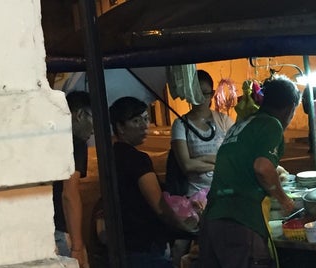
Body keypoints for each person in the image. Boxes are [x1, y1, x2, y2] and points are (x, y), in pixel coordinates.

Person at [197, 76, 300, 268]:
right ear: (290, 108)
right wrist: (285, 200)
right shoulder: (271, 124)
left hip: (213, 220)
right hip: (240, 222)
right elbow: (262, 167)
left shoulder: (242, 124)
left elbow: (242, 162)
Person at [109, 96, 195, 268]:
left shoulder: (110, 156)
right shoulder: (137, 159)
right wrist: (185, 227)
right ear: (120, 127)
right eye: (135, 120)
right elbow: (159, 206)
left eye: (146, 118)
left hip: (123, 243)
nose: (144, 125)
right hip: (146, 244)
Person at [169, 70, 233, 266]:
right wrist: (217, 160)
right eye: (196, 93)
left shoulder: (225, 121)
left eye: (205, 93)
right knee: (186, 247)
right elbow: (187, 165)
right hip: (195, 200)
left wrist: (202, 159)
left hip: (224, 194)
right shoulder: (180, 125)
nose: (200, 99)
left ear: (212, 94)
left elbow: (232, 159)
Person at [54, 91, 93, 267]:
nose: (94, 128)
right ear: (79, 115)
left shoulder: (52, 136)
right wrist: (77, 246)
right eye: (94, 118)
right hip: (61, 232)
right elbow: (69, 193)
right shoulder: (76, 143)